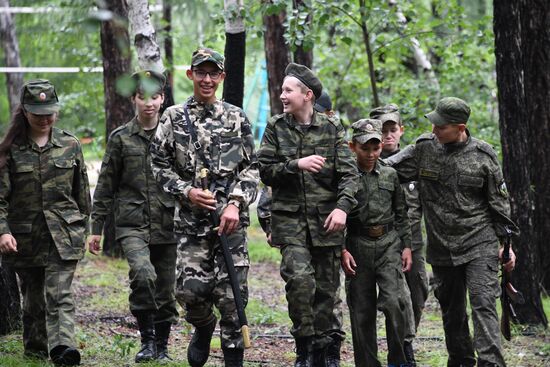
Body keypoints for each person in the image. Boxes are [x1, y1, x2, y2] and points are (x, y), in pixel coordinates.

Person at [385, 97, 518, 367]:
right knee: (452, 312)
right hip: (442, 247)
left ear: (460, 127)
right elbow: (386, 168)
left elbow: (500, 205)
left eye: (441, 127)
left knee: (483, 305)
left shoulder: (483, 156)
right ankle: (460, 361)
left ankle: (491, 363)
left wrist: (507, 245)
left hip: (479, 243)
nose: (434, 131)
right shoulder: (423, 149)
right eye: (433, 124)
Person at [149, 47, 259, 367]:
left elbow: (252, 168)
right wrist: (186, 191)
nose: (207, 79)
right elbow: (158, 165)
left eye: (213, 73)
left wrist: (235, 205)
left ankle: (233, 359)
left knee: (232, 297)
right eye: (201, 72)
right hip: (190, 224)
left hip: (230, 224)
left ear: (222, 77)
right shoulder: (172, 118)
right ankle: (203, 326)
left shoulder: (237, 118)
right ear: (190, 75)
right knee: (191, 293)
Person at [258, 63, 358, 367]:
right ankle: (304, 349)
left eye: (288, 90)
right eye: (283, 90)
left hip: (326, 224)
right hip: (290, 224)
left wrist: (342, 208)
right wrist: (296, 164)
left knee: (327, 293)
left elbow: (349, 176)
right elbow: (264, 171)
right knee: (300, 283)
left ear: (308, 95)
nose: (282, 95)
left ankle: (324, 353)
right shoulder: (276, 127)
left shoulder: (332, 128)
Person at [87, 70, 178, 363]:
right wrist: (96, 228)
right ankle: (147, 341)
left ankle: (162, 347)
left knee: (166, 287)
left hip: (168, 222)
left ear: (163, 99)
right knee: (142, 274)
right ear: (134, 99)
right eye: (142, 97)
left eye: (155, 96)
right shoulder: (121, 138)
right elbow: (106, 184)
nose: (149, 103)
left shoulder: (174, 136)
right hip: (132, 222)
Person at [0, 79, 90, 366]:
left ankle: (63, 349)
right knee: (34, 299)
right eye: (38, 113)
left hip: (63, 236)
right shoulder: (10, 149)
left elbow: (82, 194)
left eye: (50, 112)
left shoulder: (70, 145)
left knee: (59, 294)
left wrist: (83, 230)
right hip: (24, 238)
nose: (45, 118)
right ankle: (36, 348)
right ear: (25, 111)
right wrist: (3, 231)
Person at [341, 118, 412, 367]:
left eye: (376, 147)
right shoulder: (345, 176)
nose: (371, 154)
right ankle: (367, 363)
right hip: (357, 245)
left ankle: (398, 359)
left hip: (388, 244)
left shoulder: (391, 175)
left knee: (394, 302)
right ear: (353, 147)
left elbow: (402, 213)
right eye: (365, 148)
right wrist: (342, 250)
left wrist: (406, 246)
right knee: (361, 310)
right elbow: (337, 214)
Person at [371, 104, 428, 366]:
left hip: (413, 241)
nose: (388, 136)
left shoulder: (415, 161)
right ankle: (403, 347)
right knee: (396, 297)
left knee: (418, 292)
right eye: (383, 131)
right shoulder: (369, 163)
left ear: (401, 131)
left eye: (392, 130)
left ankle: (406, 340)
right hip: (384, 242)